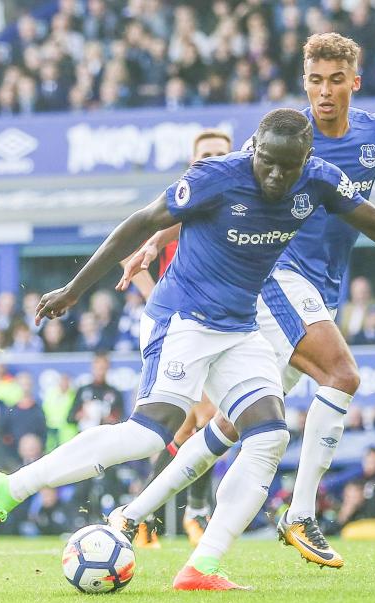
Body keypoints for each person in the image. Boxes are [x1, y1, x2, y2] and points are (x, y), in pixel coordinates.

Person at [0, 108, 375, 592]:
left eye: (286, 166)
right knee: (149, 436)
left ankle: (200, 568)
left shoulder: (319, 180)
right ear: (253, 148)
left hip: (239, 327)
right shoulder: (217, 178)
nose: (275, 174)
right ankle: (7, 488)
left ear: (306, 158)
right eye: (266, 161)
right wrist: (74, 290)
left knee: (269, 436)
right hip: (182, 318)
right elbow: (141, 222)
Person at [114, 33, 375, 569]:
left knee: (227, 426)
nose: (324, 92)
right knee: (342, 375)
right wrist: (153, 241)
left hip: (321, 290)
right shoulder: (280, 141)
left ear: (354, 82)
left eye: (335, 80)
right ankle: (300, 513)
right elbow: (217, 197)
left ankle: (130, 514)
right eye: (314, 80)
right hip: (277, 277)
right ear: (303, 82)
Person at [119, 128, 234, 548]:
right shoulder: (181, 202)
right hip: (176, 327)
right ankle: (192, 513)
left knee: (187, 432)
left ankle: (147, 516)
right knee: (206, 420)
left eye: (221, 152)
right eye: (206, 153)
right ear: (192, 160)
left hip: (209, 327)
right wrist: (161, 305)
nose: (213, 158)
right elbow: (132, 252)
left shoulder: (232, 204)